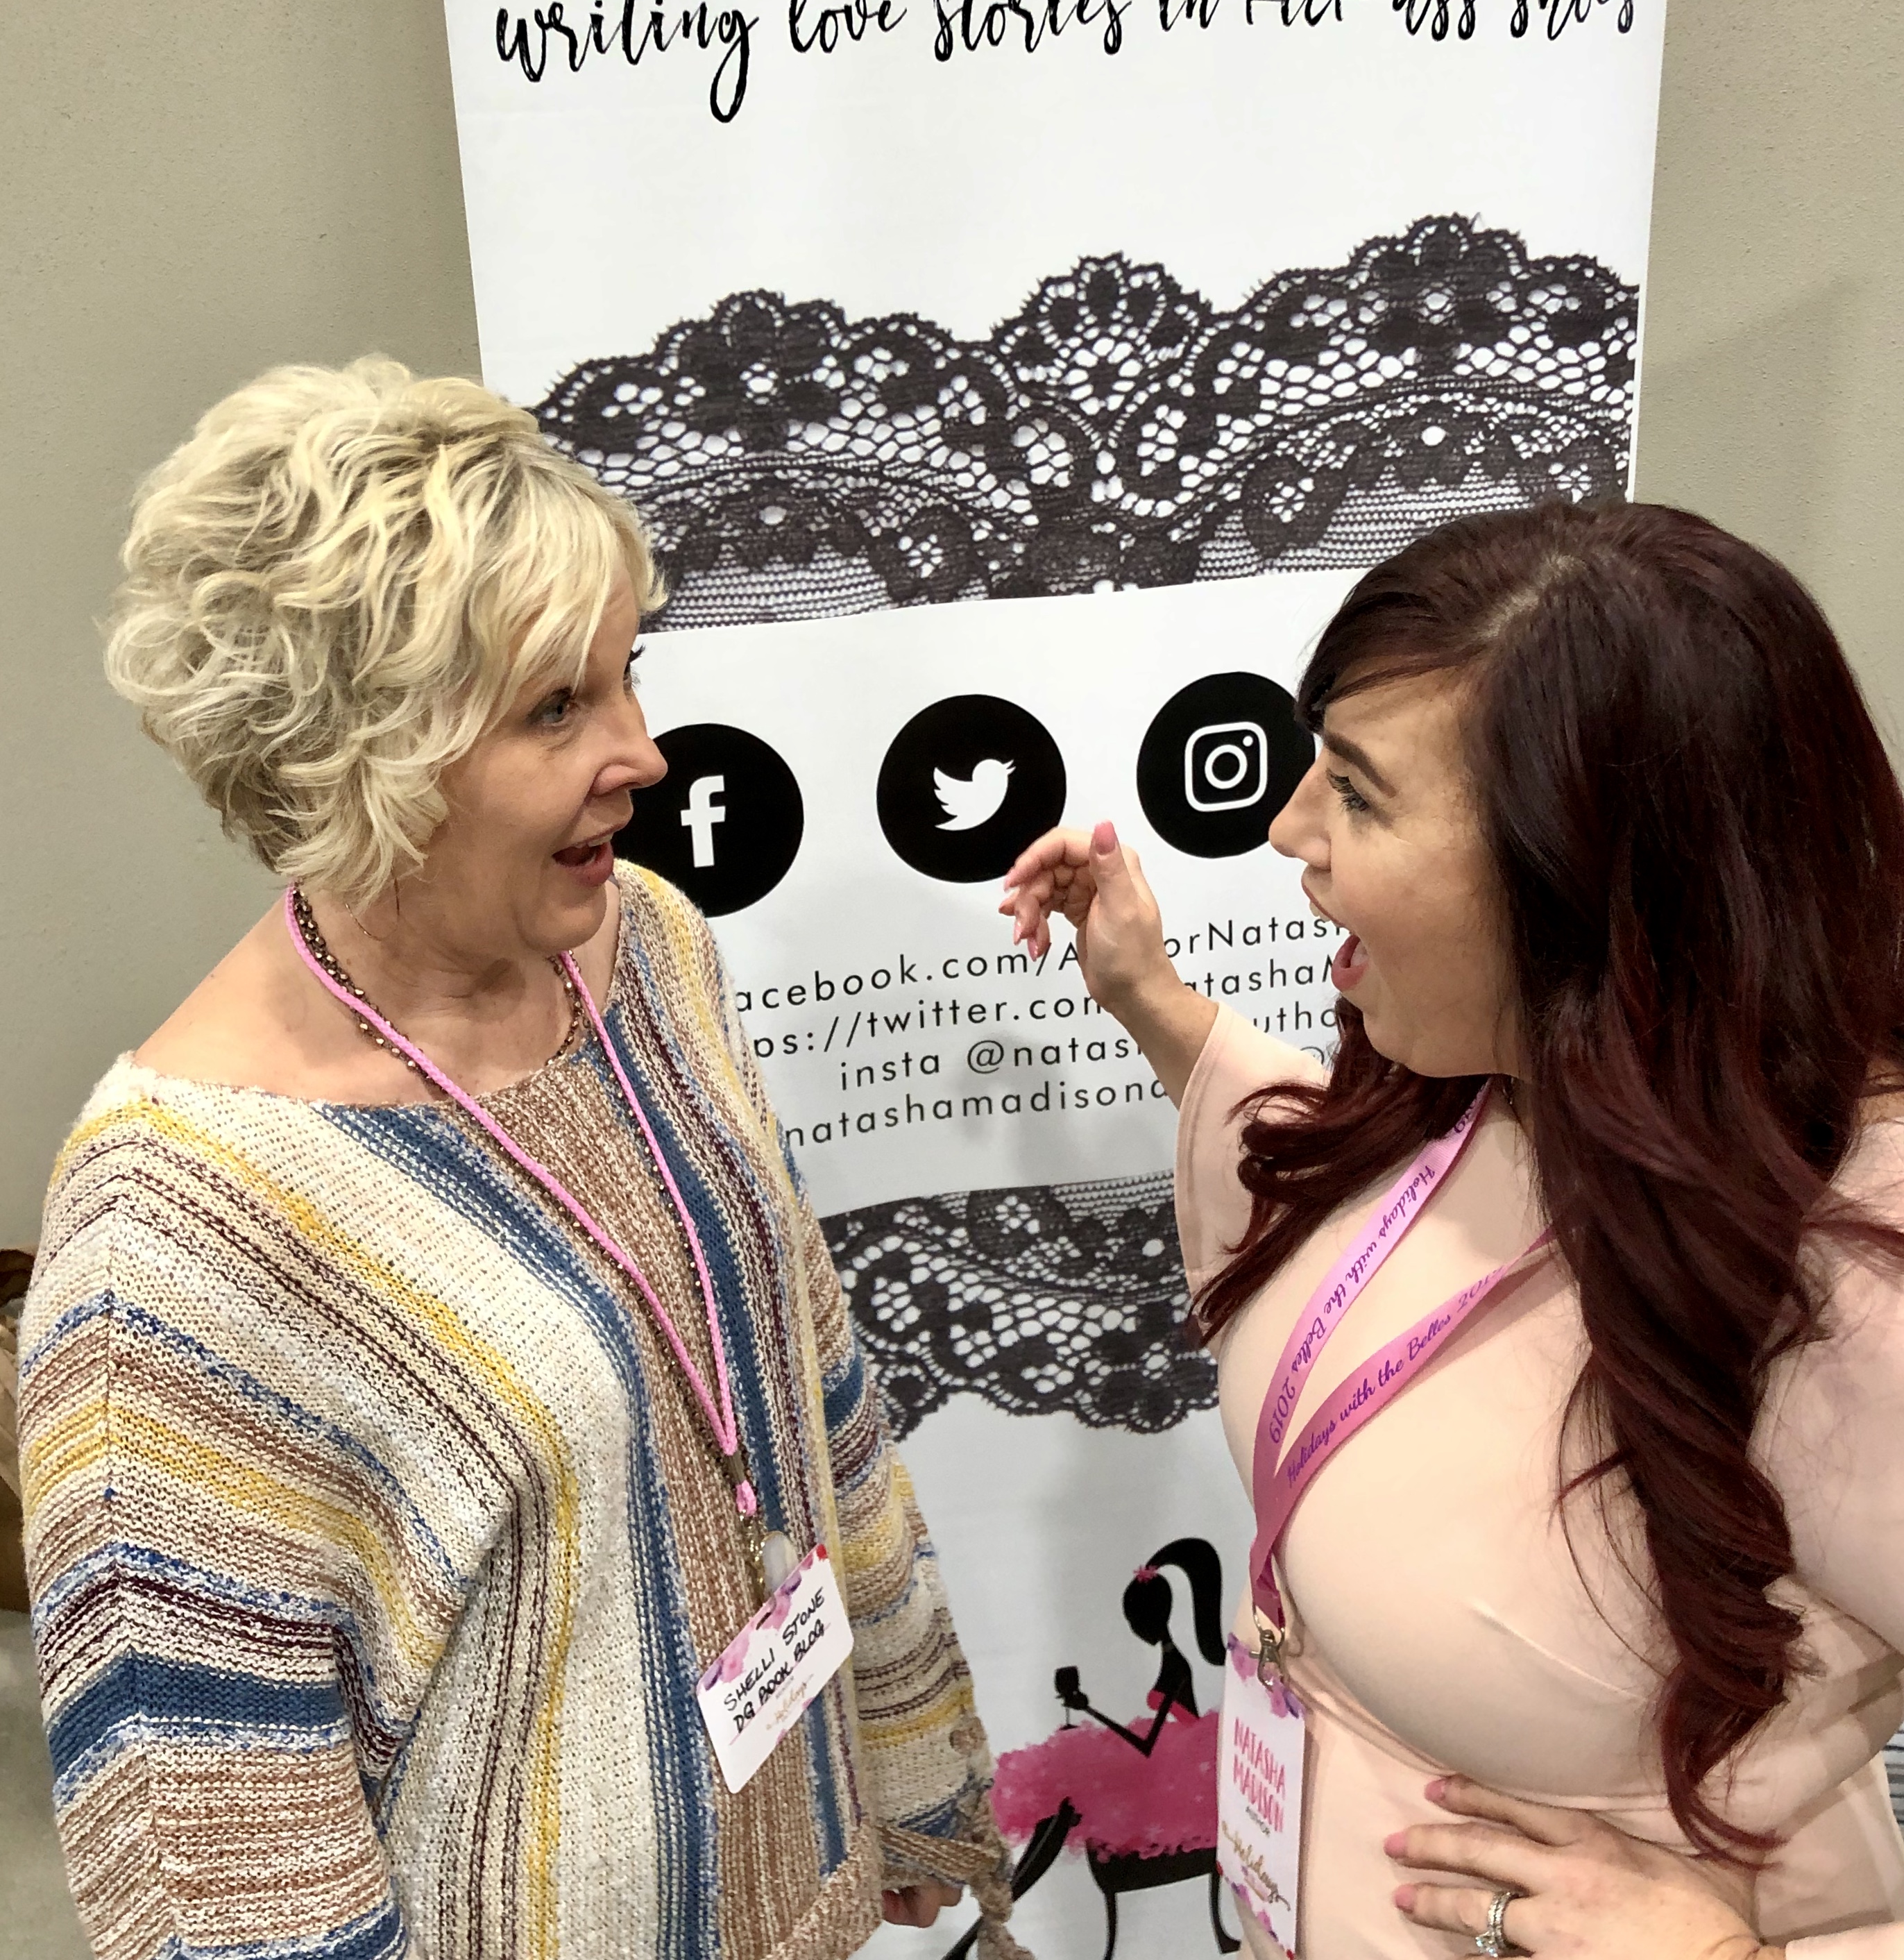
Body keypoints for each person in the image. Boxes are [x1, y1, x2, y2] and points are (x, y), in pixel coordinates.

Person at [18, 359, 1023, 1960]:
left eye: (626, 676)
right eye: (557, 707)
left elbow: (796, 1362)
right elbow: (222, 1872)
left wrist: (897, 1755)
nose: (645, 751)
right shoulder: (174, 1240)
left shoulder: (647, 948)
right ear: (360, 747)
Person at [1001, 498, 1904, 1960]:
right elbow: (1379, 1227)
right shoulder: (1506, 1082)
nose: (1289, 830)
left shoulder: (1851, 1273)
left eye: (1359, 795)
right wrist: (1153, 1003)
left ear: (1584, 868)